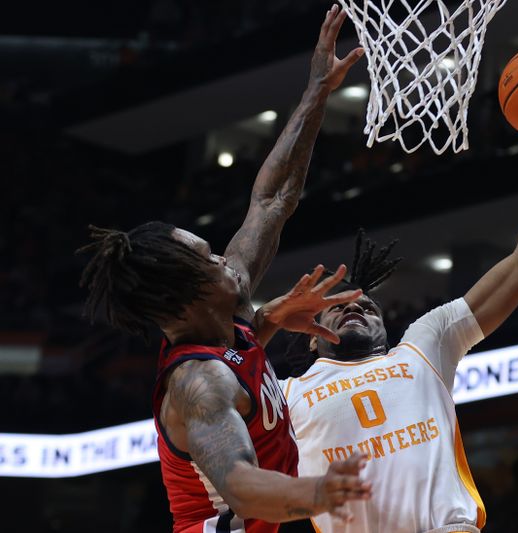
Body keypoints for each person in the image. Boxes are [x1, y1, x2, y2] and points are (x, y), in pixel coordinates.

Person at [78, 6, 372, 532]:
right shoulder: (199, 384)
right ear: (189, 295)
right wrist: (319, 491)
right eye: (208, 259)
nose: (225, 259)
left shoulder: (223, 309)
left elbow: (273, 200)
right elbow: (240, 485)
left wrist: (317, 90)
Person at [281, 121, 518, 532]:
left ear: (385, 326)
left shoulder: (424, 347)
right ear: (310, 335)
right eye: (337, 306)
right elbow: (220, 369)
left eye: (367, 306)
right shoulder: (286, 394)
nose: (356, 308)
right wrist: (265, 320)